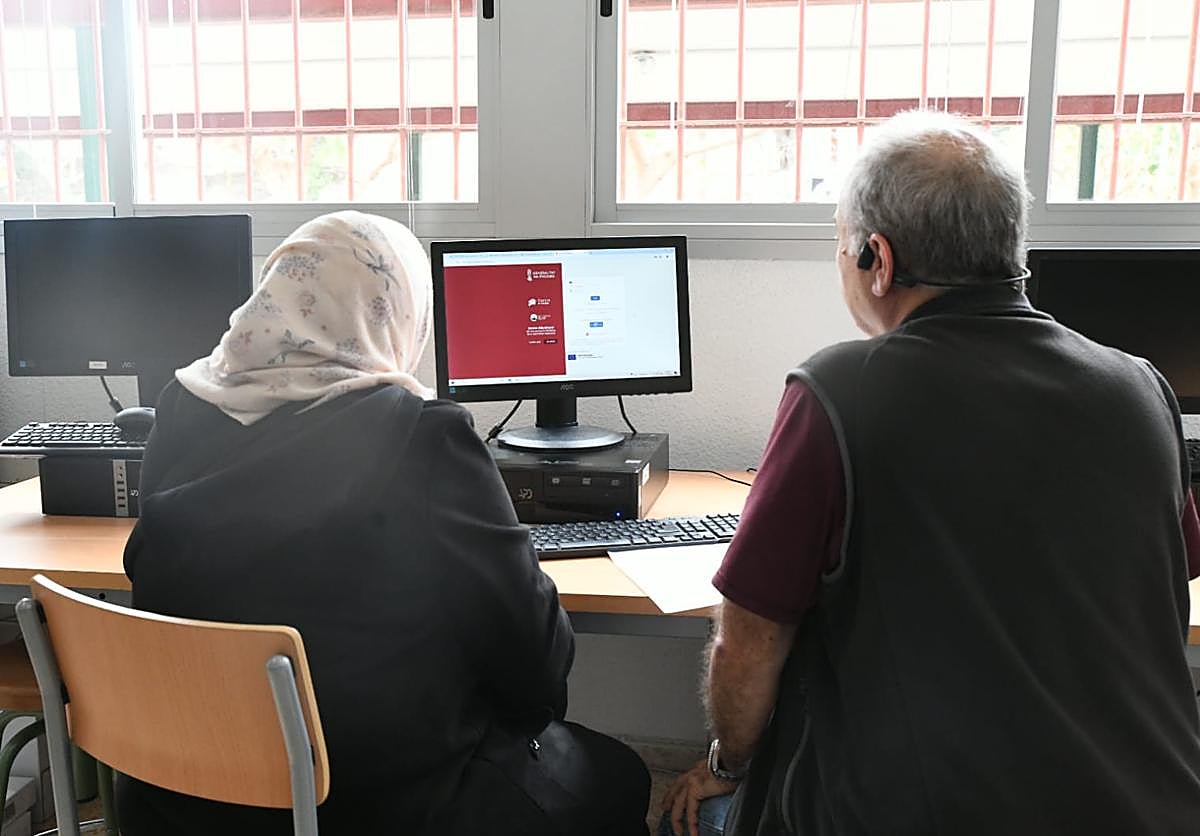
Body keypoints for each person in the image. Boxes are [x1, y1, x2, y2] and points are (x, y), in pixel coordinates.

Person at [661, 111, 1200, 836]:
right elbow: (1174, 569)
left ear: (877, 260)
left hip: (923, 812)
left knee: (691, 814)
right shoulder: (1140, 387)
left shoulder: (839, 392)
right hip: (1148, 807)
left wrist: (724, 764)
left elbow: (747, 645)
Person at [118, 210, 650, 836]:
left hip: (184, 798)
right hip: (385, 803)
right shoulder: (421, 435)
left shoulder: (180, 407)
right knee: (623, 777)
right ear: (394, 311)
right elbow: (535, 664)